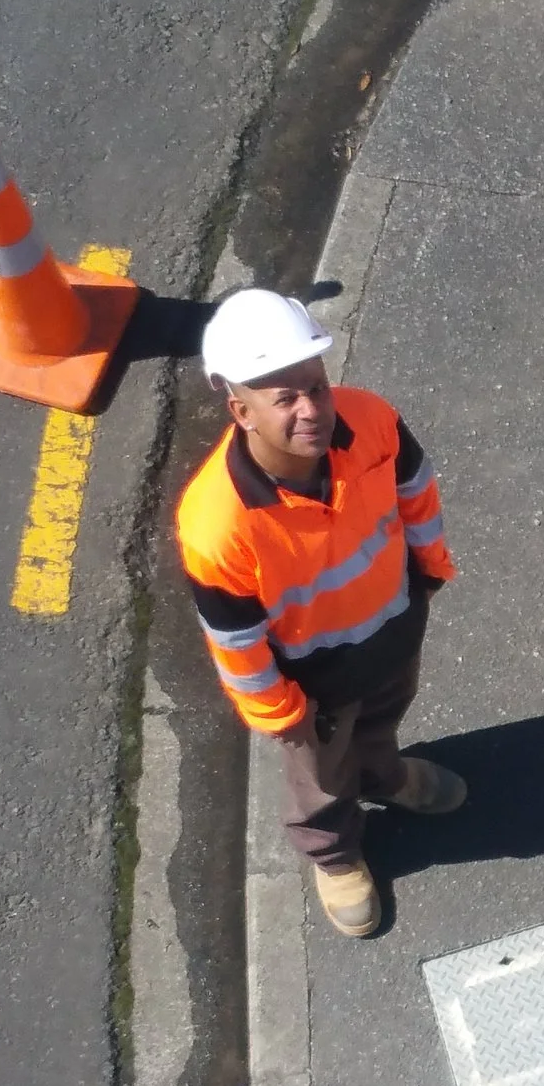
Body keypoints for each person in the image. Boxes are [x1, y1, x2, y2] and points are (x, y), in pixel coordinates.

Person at [175, 289, 463, 940]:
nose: (312, 411)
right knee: (320, 776)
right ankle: (335, 856)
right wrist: (283, 715)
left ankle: (385, 776)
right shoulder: (217, 524)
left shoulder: (372, 421)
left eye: (316, 386)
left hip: (392, 630)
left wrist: (431, 567)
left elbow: (416, 491)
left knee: (383, 724)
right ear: (240, 410)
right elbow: (237, 642)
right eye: (285, 399)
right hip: (314, 686)